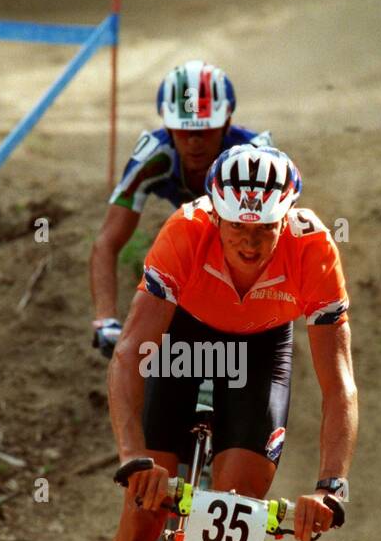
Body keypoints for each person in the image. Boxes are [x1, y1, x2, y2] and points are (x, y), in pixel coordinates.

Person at [63, 143, 358, 541]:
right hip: (183, 343)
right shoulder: (185, 230)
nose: (250, 242)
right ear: (213, 213)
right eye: (237, 228)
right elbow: (129, 354)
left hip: (260, 356)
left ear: (287, 218)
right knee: (144, 515)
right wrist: (134, 457)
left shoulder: (313, 246)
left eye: (265, 230)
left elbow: (338, 382)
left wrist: (331, 485)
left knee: (241, 512)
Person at [90, 60, 273, 358]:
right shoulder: (153, 157)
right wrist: (105, 317)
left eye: (206, 130)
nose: (194, 142)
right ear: (168, 127)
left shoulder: (254, 158)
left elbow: (278, 240)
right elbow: (107, 242)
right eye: (183, 131)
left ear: (226, 124)